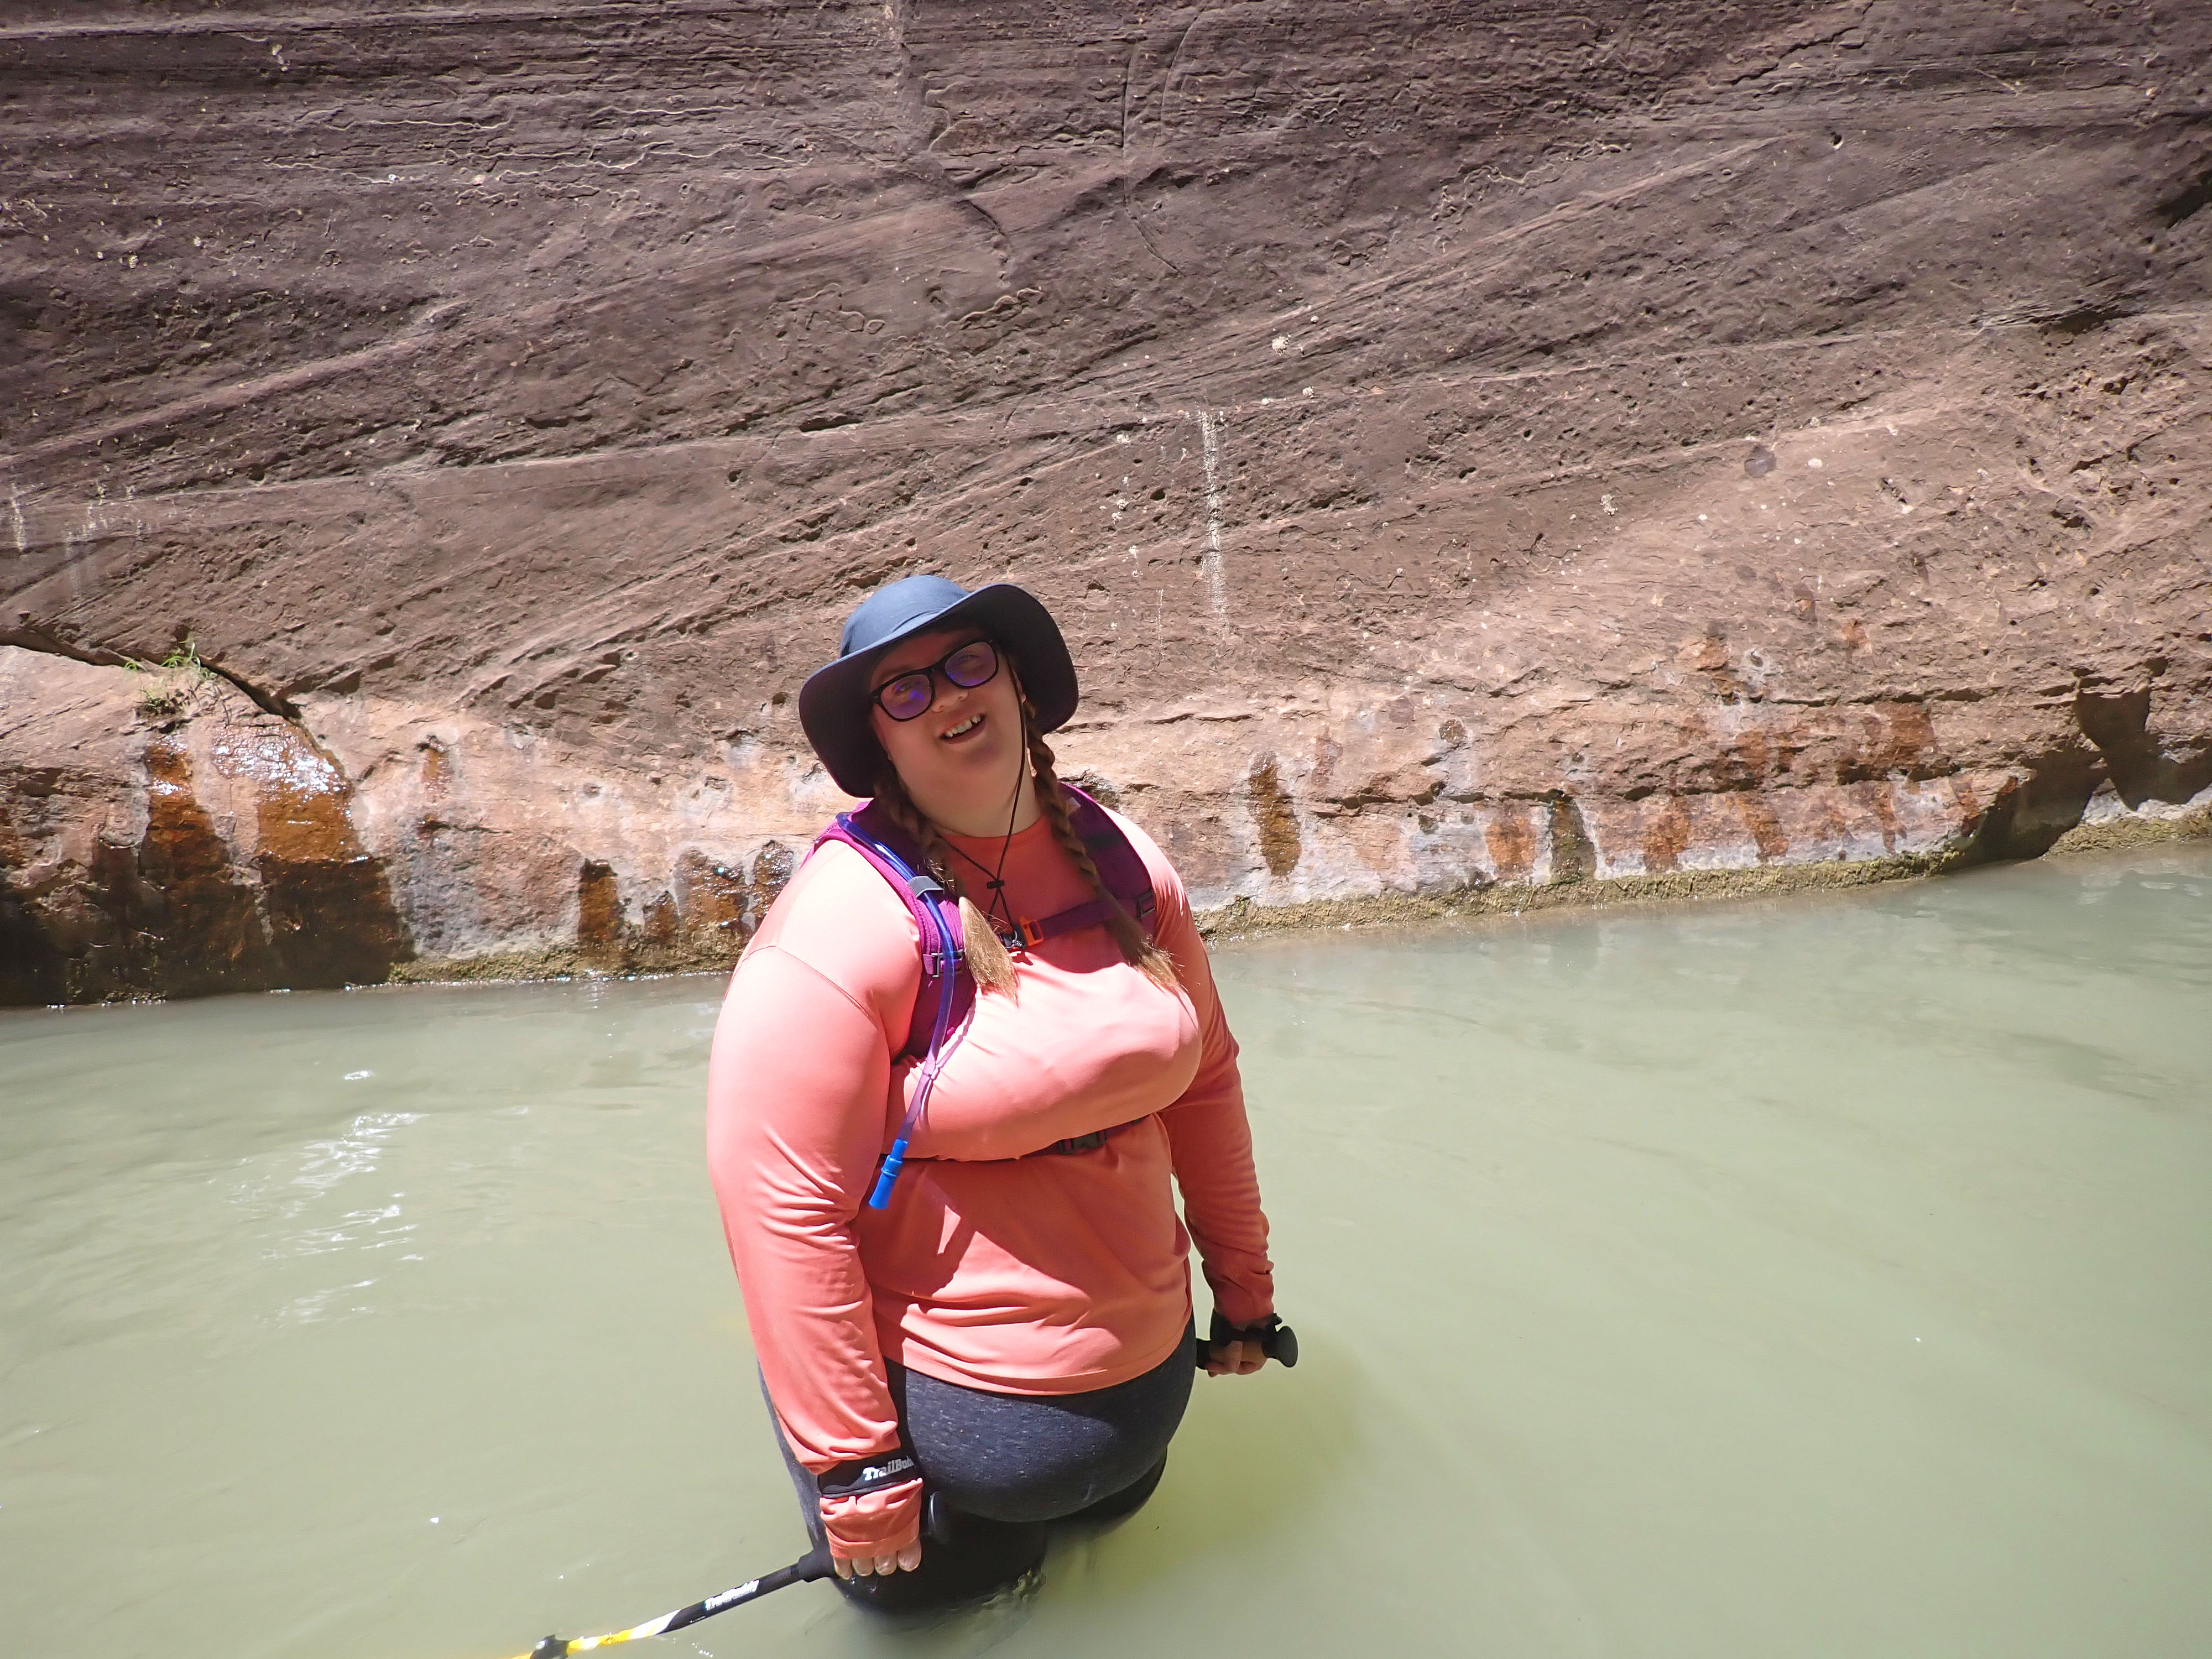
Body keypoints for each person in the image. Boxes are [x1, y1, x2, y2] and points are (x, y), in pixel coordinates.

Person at [705, 573, 1283, 1610]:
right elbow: (783, 1207)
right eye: (905, 690)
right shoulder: (839, 926)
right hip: (943, 1465)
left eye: (967, 662)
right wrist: (856, 1468)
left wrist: (1243, 1287)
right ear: (879, 740)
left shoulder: (1123, 864)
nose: (947, 695)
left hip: (1133, 1425)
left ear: (1017, 681)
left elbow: (1206, 1083)